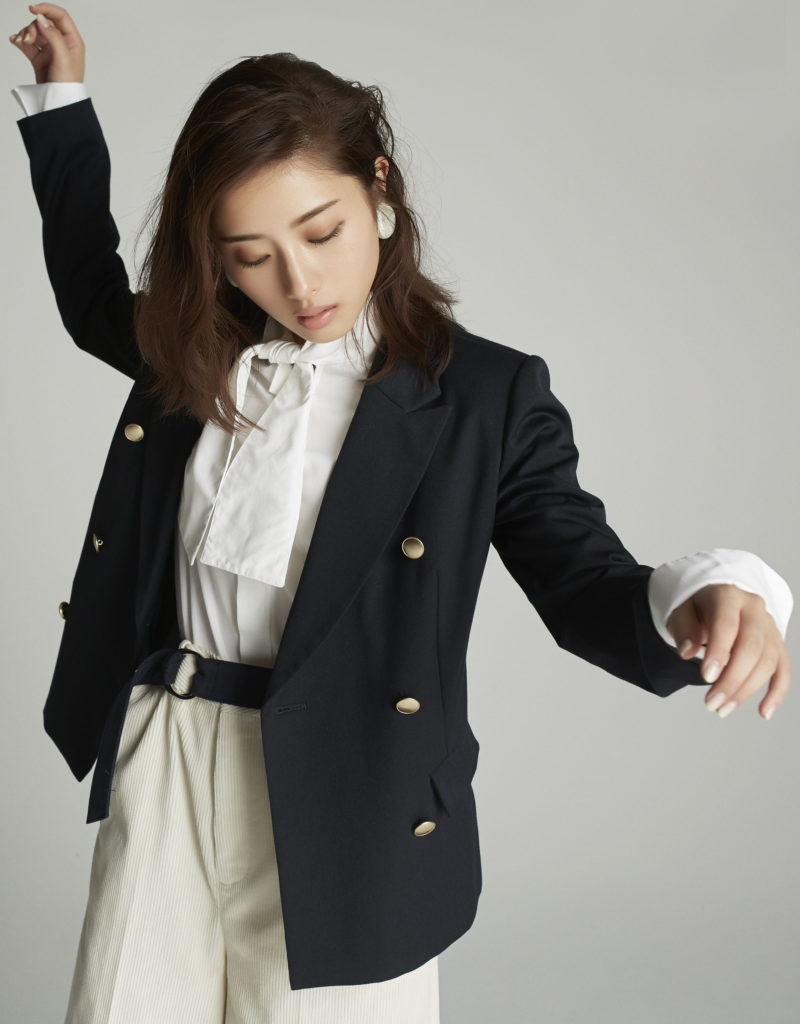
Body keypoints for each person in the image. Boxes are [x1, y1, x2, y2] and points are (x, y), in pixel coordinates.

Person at [9, 4, 793, 1023]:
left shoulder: (483, 397)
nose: (298, 283)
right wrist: (62, 99)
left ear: (378, 188)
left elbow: (582, 577)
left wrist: (707, 593)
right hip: (167, 762)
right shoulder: (196, 352)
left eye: (320, 231)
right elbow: (87, 290)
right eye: (248, 253)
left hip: (351, 792)